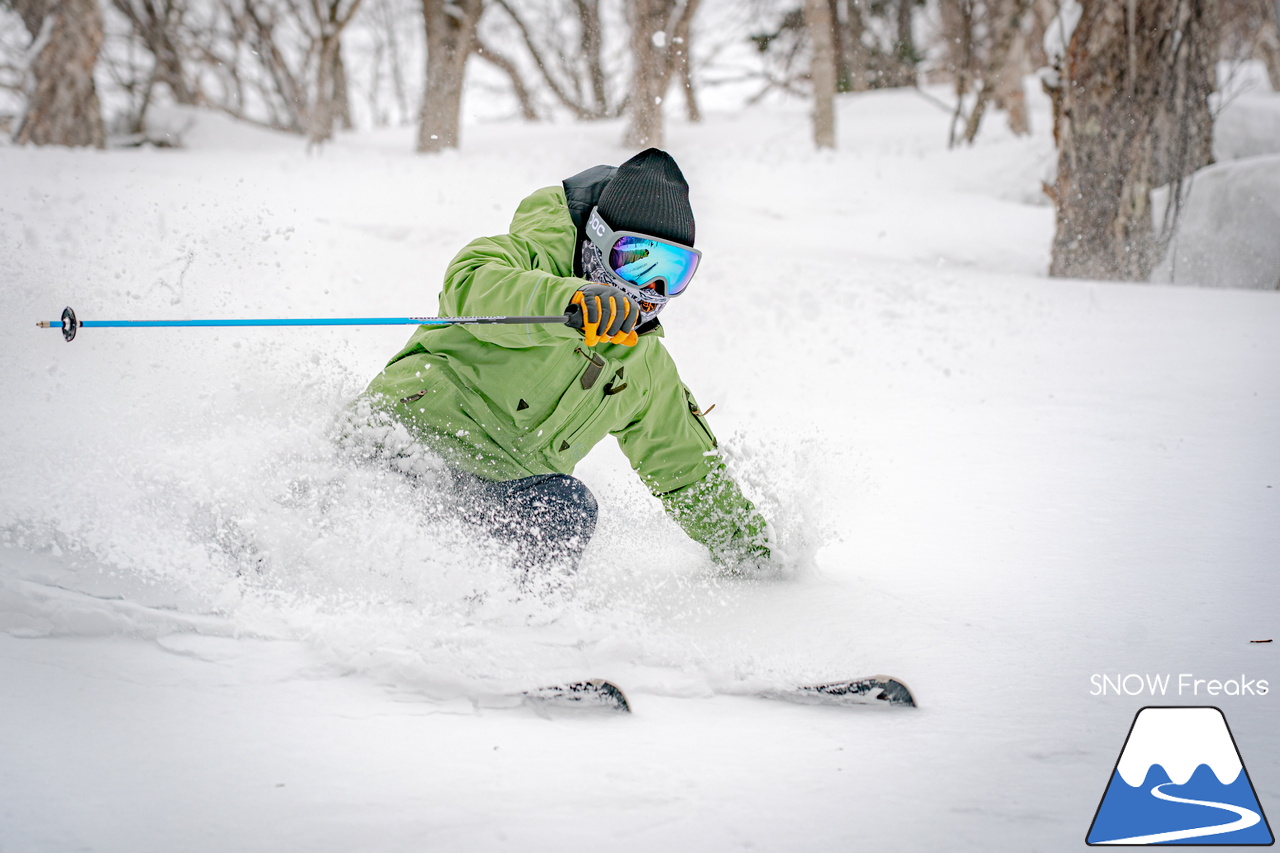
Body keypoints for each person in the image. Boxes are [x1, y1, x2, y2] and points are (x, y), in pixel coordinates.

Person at [360, 148, 770, 577]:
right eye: (637, 259)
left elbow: (687, 470)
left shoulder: (642, 364)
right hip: (401, 441)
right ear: (599, 241)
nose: (654, 286)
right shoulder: (531, 257)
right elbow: (471, 285)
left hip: (489, 497)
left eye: (676, 270)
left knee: (563, 508)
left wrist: (756, 557)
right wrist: (568, 300)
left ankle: (495, 611)